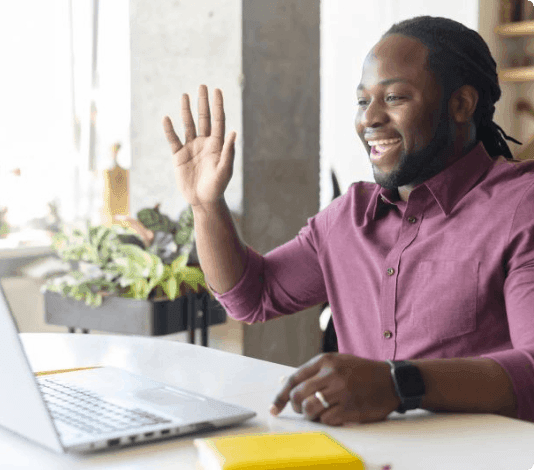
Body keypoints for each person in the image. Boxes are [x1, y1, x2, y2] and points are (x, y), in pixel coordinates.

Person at [162, 16, 534, 426]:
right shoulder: (347, 218)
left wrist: (398, 384)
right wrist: (206, 205)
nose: (369, 119)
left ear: (461, 104)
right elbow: (252, 295)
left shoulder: (521, 206)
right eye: (362, 101)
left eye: (394, 98)